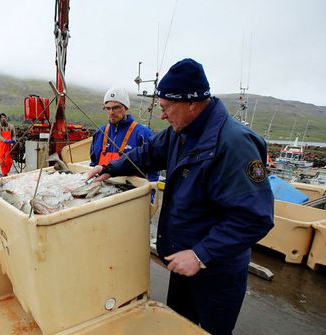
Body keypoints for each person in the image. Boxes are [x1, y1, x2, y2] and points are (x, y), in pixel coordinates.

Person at [87, 58, 274, 335]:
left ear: (192, 103)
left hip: (216, 271)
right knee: (177, 327)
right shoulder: (180, 131)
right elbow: (148, 153)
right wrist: (109, 167)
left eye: (166, 108)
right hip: (182, 262)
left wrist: (200, 255)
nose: (162, 115)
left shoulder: (234, 145)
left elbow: (255, 218)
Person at [90, 87, 159, 183]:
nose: (111, 112)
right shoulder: (99, 133)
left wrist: (150, 194)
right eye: (108, 108)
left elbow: (152, 172)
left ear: (126, 107)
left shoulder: (143, 134)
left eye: (116, 107)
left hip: (133, 192)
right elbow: (93, 164)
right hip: (103, 189)